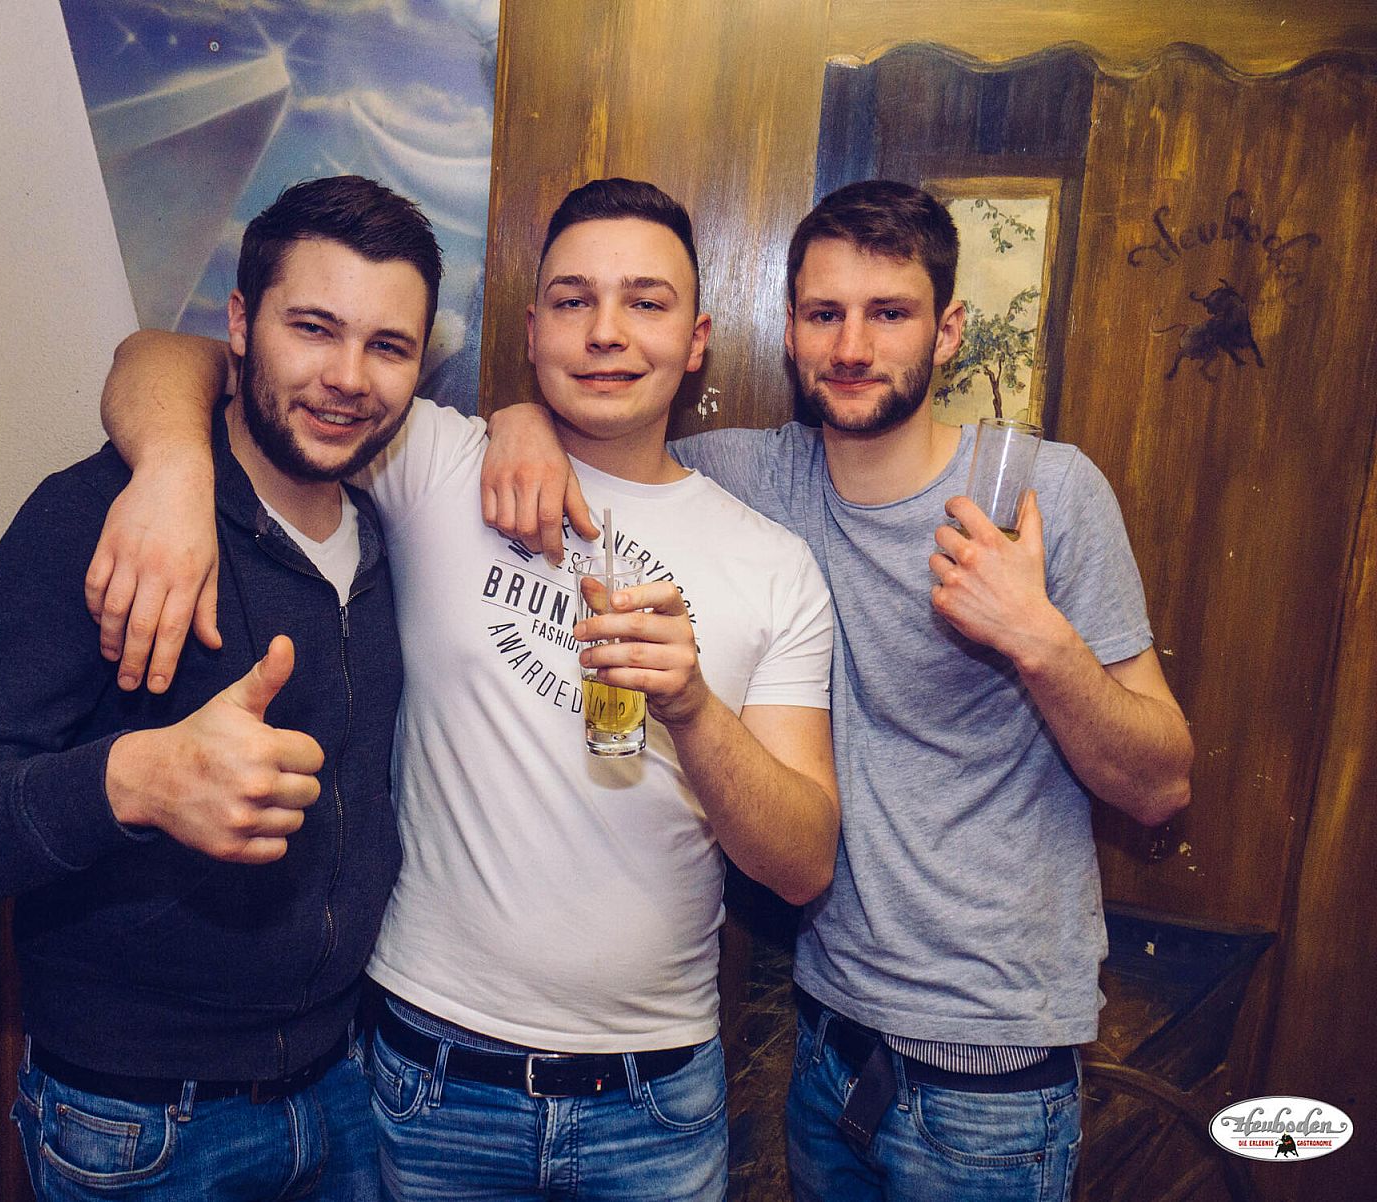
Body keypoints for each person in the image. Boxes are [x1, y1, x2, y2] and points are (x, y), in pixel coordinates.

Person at [85, 178, 841, 1201]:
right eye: (573, 300)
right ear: (531, 332)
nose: (606, 331)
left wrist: (693, 708)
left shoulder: (774, 566)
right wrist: (173, 467)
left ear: (696, 338)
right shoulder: (434, 459)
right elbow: (159, 357)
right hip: (426, 1082)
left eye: (646, 302)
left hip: (653, 1101)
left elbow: (800, 864)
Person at [479, 179, 1195, 1201]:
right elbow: (610, 434)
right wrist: (520, 420)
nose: (852, 346)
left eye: (889, 313)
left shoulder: (1046, 494)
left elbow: (1161, 786)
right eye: (825, 314)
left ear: (948, 330)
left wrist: (1038, 639)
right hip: (824, 1042)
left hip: (990, 1074)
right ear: (788, 332)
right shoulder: (752, 481)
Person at [0, 174, 442, 1201]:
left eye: (388, 346)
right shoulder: (111, 515)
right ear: (240, 325)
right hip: (140, 1125)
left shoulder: (396, 533)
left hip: (346, 1092)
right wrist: (135, 779)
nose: (348, 377)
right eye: (313, 327)